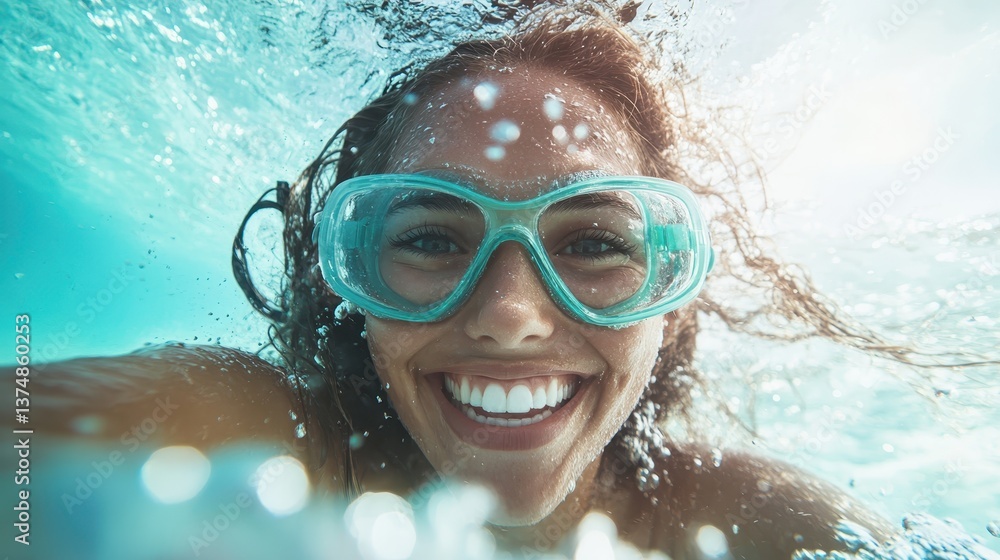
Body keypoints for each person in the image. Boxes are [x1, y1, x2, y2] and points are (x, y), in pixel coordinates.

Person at [18, 6, 924, 559]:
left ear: (671, 297)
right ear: (351, 278)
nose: (509, 318)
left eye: (597, 244)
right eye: (431, 239)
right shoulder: (263, 442)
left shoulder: (760, 528)